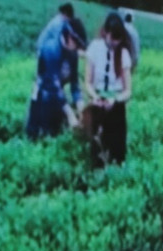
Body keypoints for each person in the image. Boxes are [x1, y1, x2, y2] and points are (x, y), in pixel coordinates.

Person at [85, 11, 133, 167]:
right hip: (97, 104)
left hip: (116, 107)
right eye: (112, 38)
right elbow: (88, 82)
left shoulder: (123, 54)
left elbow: (128, 91)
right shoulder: (94, 48)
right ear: (105, 32)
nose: (114, 43)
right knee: (97, 153)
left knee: (117, 154)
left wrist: (115, 100)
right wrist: (94, 97)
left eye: (117, 39)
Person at [26, 17, 88, 138]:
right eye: (77, 44)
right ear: (69, 37)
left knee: (56, 133)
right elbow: (53, 86)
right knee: (39, 135)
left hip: (59, 98)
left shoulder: (73, 54)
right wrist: (70, 114)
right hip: (43, 97)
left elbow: (74, 83)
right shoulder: (51, 49)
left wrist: (81, 107)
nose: (77, 48)